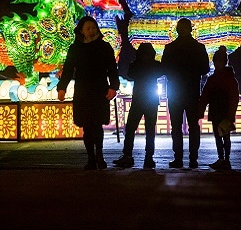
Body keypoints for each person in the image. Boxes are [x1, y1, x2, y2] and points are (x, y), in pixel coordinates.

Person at [57, 15, 120, 170]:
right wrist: (62, 87)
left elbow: (112, 69)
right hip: (83, 91)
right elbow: (68, 70)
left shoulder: (105, 47)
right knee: (86, 126)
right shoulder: (75, 48)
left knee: (97, 125)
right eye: (88, 28)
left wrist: (114, 87)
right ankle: (91, 158)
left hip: (100, 90)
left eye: (93, 27)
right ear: (81, 31)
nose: (91, 30)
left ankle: (100, 156)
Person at [161, 17, 210, 169]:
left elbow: (164, 68)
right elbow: (205, 69)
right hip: (191, 91)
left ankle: (178, 158)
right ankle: (193, 159)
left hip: (176, 91)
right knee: (193, 126)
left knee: (177, 126)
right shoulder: (198, 48)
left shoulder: (170, 48)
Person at [112, 42, 164, 169]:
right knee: (150, 130)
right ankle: (148, 158)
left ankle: (128, 156)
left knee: (130, 128)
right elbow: (162, 72)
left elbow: (130, 75)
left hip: (138, 100)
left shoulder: (135, 65)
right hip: (151, 100)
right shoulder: (156, 65)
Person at [198, 45, 239, 171]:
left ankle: (225, 159)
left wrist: (231, 114)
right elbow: (205, 96)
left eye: (219, 62)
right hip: (216, 112)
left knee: (225, 136)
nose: (217, 64)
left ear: (224, 62)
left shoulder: (228, 79)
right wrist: (200, 111)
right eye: (216, 62)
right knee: (218, 136)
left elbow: (234, 98)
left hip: (224, 112)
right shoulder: (214, 79)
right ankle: (222, 158)